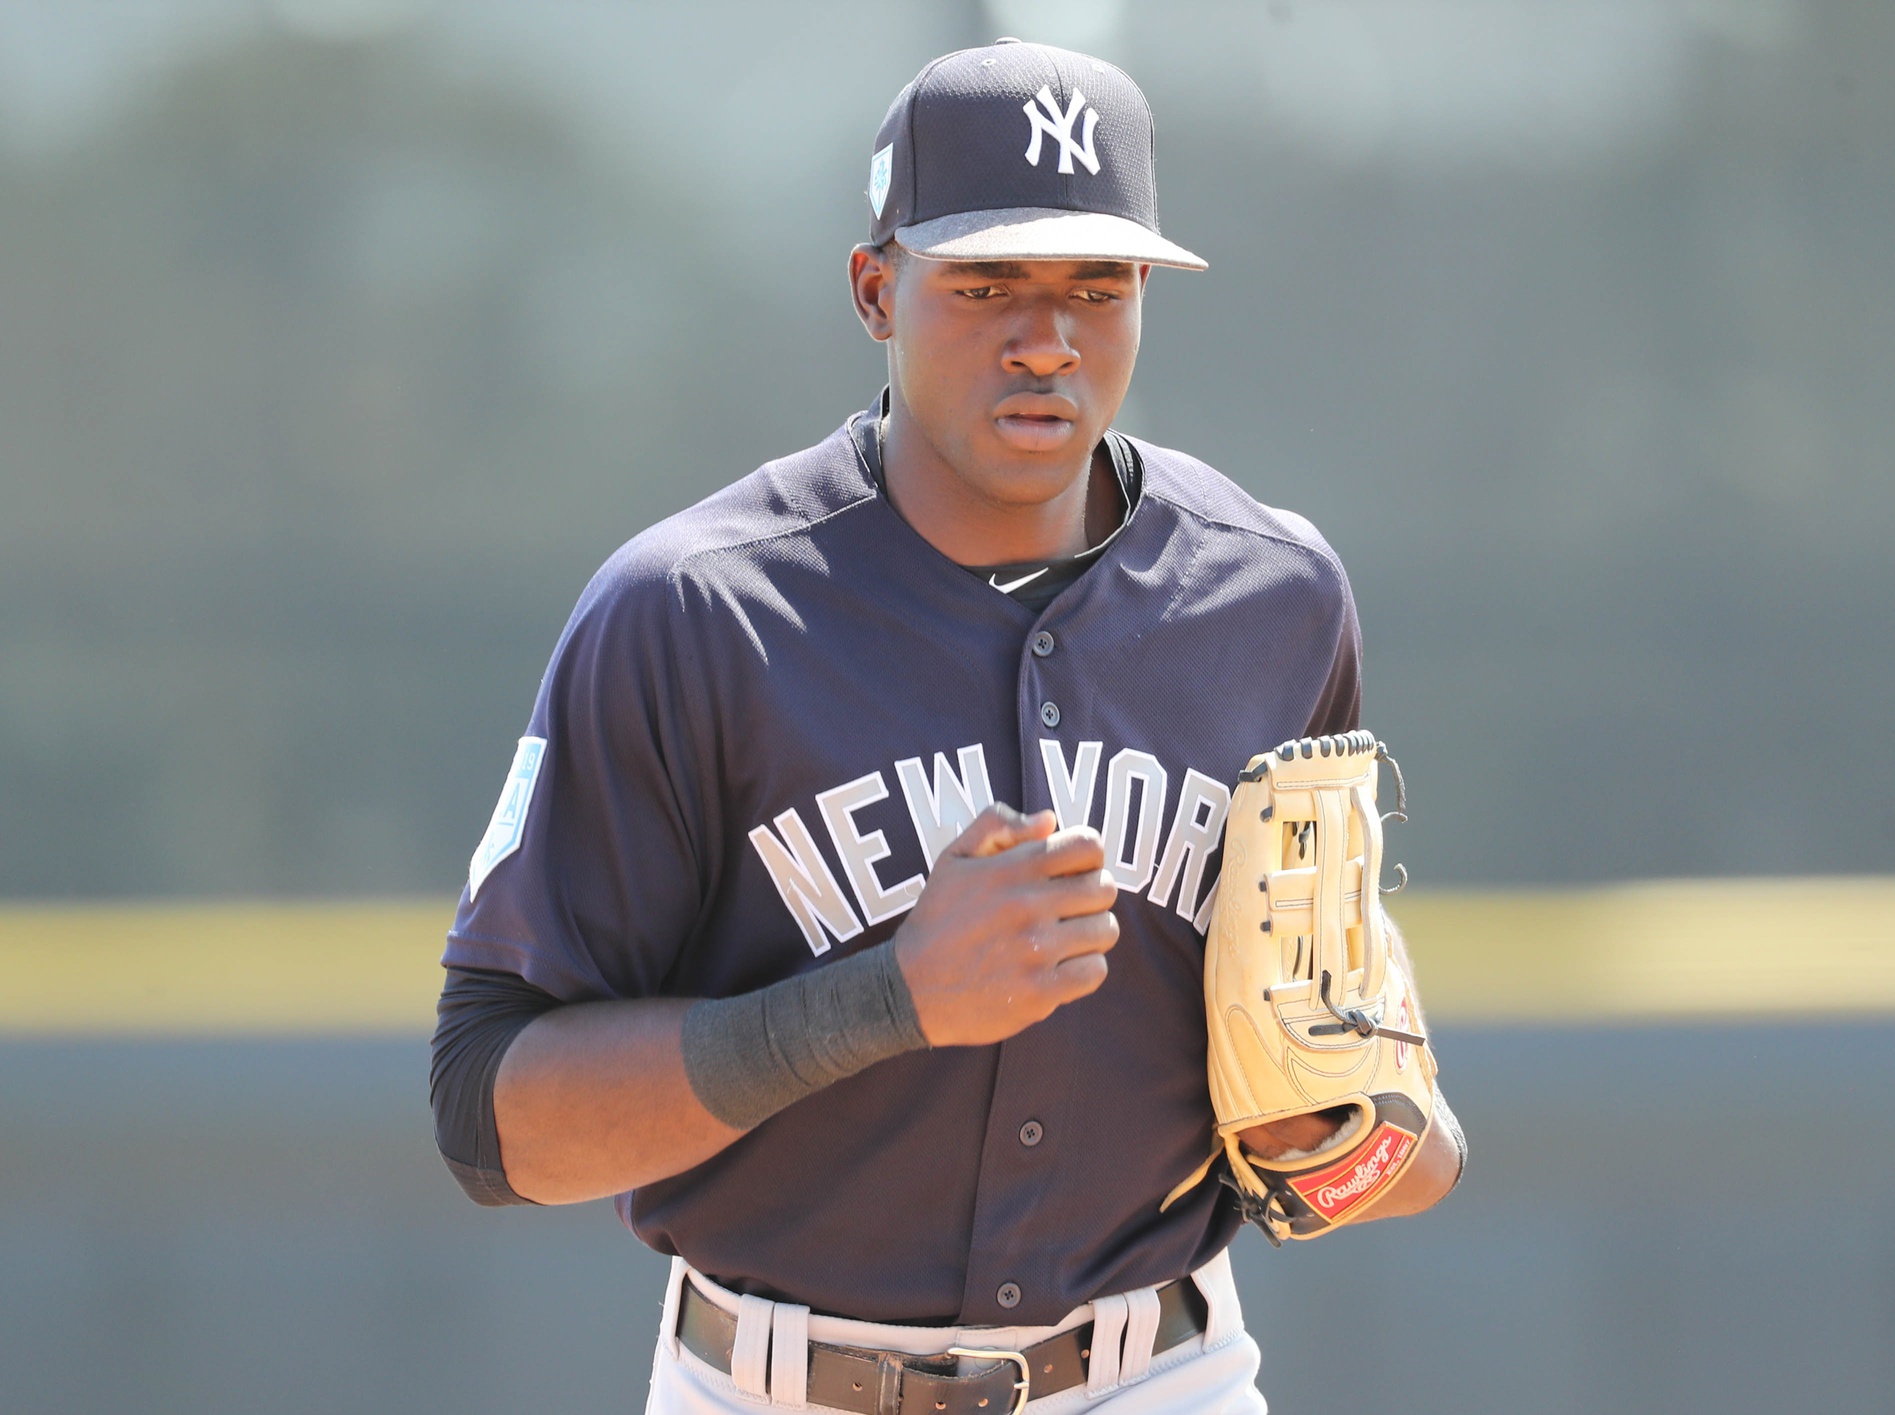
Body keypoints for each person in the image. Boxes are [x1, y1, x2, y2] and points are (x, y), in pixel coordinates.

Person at [429, 38, 1464, 1415]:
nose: (1048, 338)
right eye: (986, 285)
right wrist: (881, 1003)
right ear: (876, 290)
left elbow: (1385, 1131)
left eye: (1097, 286)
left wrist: (1337, 1133)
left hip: (1159, 1375)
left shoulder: (1271, 599)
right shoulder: (693, 615)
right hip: (774, 1384)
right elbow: (494, 1119)